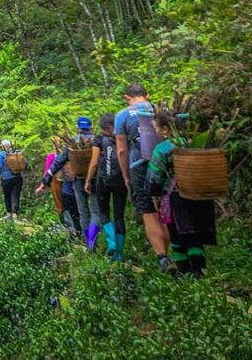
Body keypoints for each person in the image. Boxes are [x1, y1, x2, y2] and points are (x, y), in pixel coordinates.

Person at [148, 109, 217, 277]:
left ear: (166, 130)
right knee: (195, 236)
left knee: (177, 237)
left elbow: (154, 176)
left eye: (157, 128)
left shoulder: (162, 149)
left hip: (173, 199)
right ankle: (199, 272)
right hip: (197, 196)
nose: (156, 132)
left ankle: (184, 272)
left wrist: (153, 193)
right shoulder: (194, 144)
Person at [115, 83, 173, 273]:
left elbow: (122, 150)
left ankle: (163, 258)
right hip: (166, 164)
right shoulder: (160, 110)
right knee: (165, 211)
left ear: (127, 97)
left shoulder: (122, 115)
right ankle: (176, 253)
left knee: (148, 212)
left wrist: (126, 176)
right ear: (147, 95)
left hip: (139, 167)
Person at [41, 116, 100, 250]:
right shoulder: (97, 140)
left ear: (78, 128)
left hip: (78, 181)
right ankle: (92, 239)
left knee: (83, 212)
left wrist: (47, 177)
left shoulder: (73, 141)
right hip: (95, 180)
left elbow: (59, 160)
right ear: (90, 127)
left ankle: (89, 244)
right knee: (96, 213)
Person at [86, 113, 127, 261]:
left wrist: (88, 180)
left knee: (103, 213)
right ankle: (120, 254)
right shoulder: (124, 137)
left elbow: (94, 162)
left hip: (104, 181)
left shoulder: (99, 139)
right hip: (122, 181)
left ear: (105, 127)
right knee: (119, 217)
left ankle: (111, 244)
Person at [37, 137, 80, 237]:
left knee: (61, 206)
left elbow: (48, 170)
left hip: (58, 183)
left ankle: (71, 230)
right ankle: (87, 238)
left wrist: (43, 183)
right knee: (81, 209)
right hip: (77, 183)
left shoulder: (52, 156)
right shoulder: (76, 153)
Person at [0, 140, 24, 219]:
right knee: (16, 195)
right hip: (18, 177)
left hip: (6, 178)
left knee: (7, 196)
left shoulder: (2, 154)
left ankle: (9, 214)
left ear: (3, 146)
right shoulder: (16, 153)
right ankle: (15, 214)